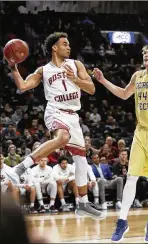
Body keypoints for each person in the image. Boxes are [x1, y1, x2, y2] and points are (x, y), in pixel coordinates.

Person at [6, 32, 105, 220]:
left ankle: (83, 204)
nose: (69, 47)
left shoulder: (76, 65)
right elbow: (23, 86)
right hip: (55, 111)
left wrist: (74, 79)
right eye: (65, 44)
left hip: (73, 116)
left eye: (69, 44)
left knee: (81, 160)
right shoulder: (44, 70)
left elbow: (91, 89)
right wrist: (13, 68)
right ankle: (20, 168)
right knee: (62, 137)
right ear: (54, 47)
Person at [93, 14, 148, 242]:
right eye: (145, 53)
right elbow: (124, 93)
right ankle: (122, 222)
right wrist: (103, 81)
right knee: (131, 177)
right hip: (141, 133)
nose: (146, 55)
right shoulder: (138, 76)